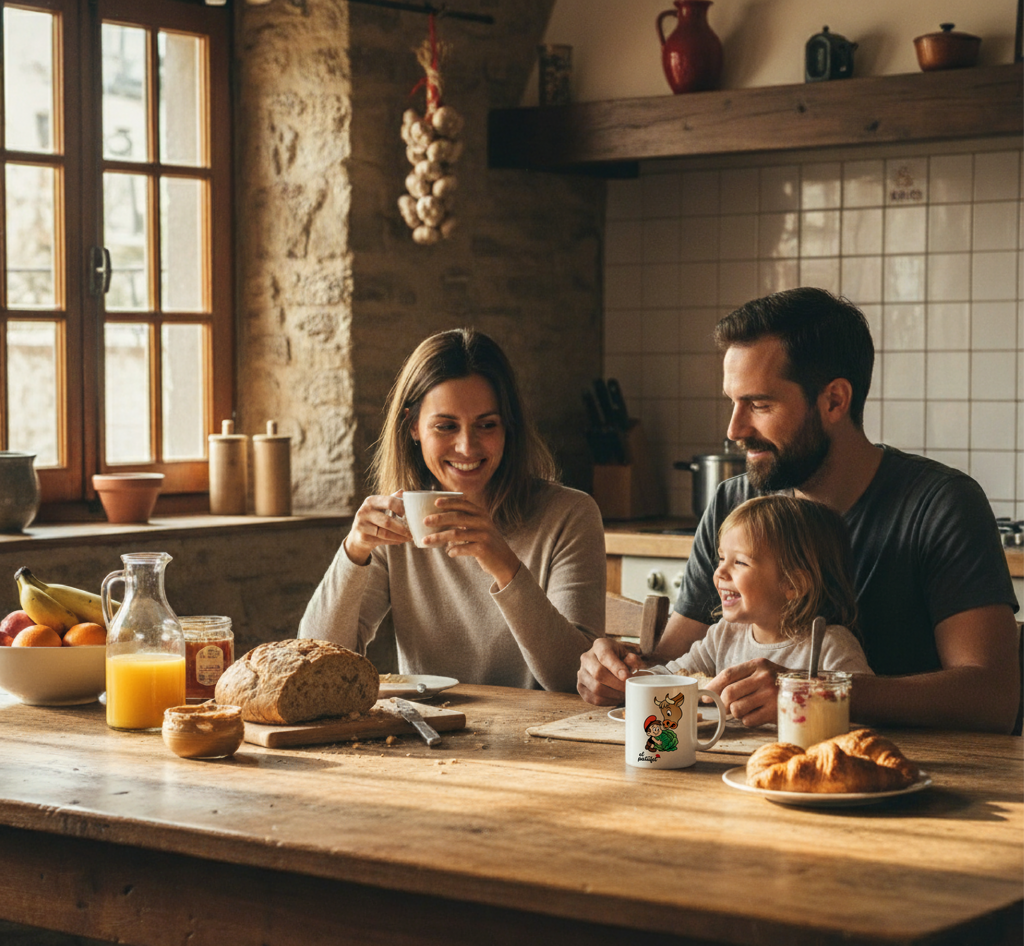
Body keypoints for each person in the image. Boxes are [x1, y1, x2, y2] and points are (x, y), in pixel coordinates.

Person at [579, 287, 1020, 734]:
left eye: (760, 404)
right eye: (733, 402)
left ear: (833, 401)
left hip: (908, 779)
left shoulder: (941, 505)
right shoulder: (736, 502)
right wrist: (619, 672)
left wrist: (811, 692)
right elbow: (674, 662)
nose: (734, 429)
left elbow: (993, 697)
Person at [300, 327, 605, 692]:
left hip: (538, 739)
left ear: (509, 427)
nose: (466, 446)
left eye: (486, 425)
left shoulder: (570, 515)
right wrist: (354, 553)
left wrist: (504, 565)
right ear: (413, 426)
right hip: (427, 736)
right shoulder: (398, 523)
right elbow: (317, 663)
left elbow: (576, 681)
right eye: (446, 426)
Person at [670, 494, 871, 679]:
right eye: (721, 558)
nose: (719, 572)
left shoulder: (831, 647)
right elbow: (671, 676)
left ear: (793, 584)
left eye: (740, 562)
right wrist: (641, 672)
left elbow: (862, 708)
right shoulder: (724, 635)